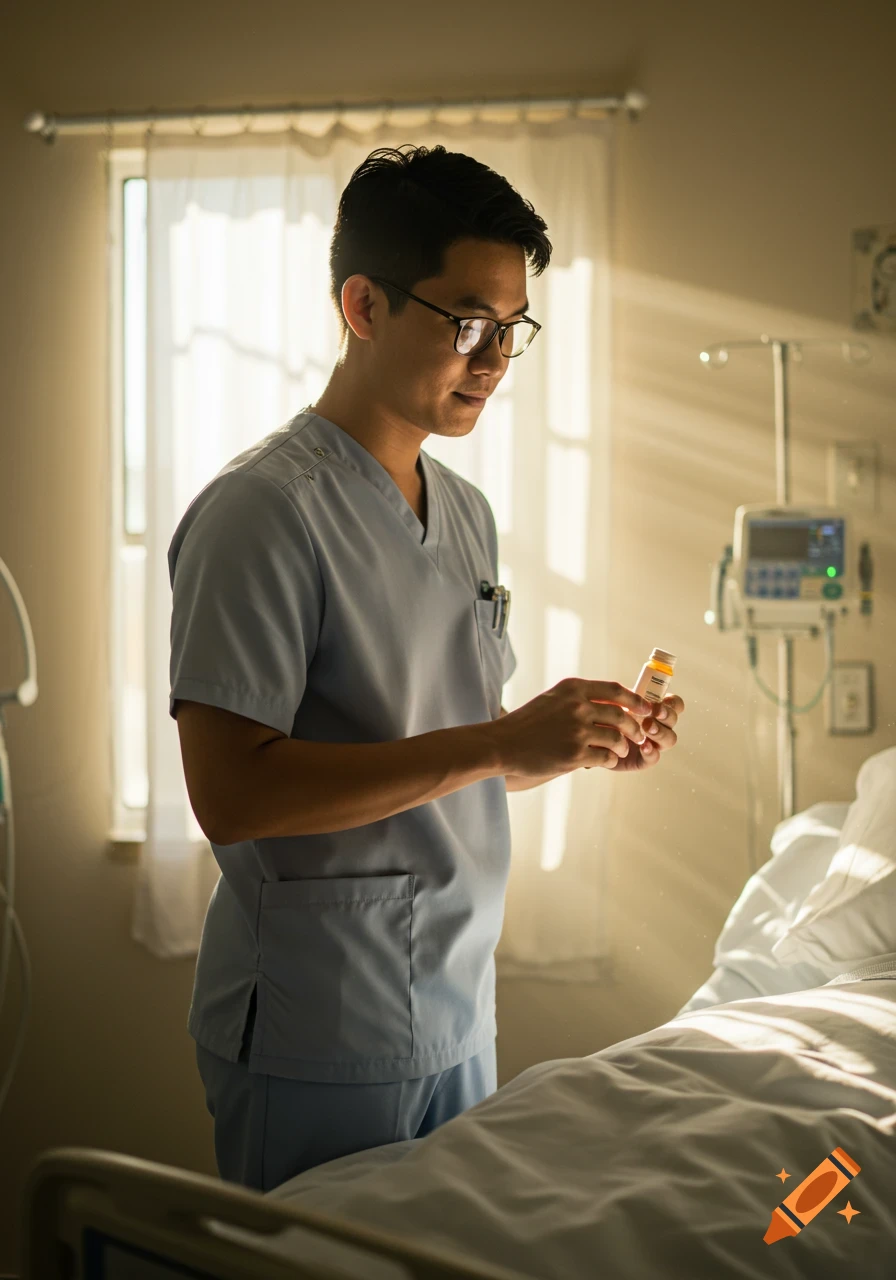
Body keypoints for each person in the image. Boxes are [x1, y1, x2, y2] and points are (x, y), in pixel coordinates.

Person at [170, 143, 685, 1194]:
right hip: (321, 1020)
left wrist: (566, 738)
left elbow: (445, 748)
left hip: (453, 1004)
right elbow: (230, 794)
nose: (492, 357)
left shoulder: (463, 514)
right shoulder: (262, 513)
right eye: (465, 321)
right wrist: (498, 740)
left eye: (512, 328)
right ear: (362, 304)